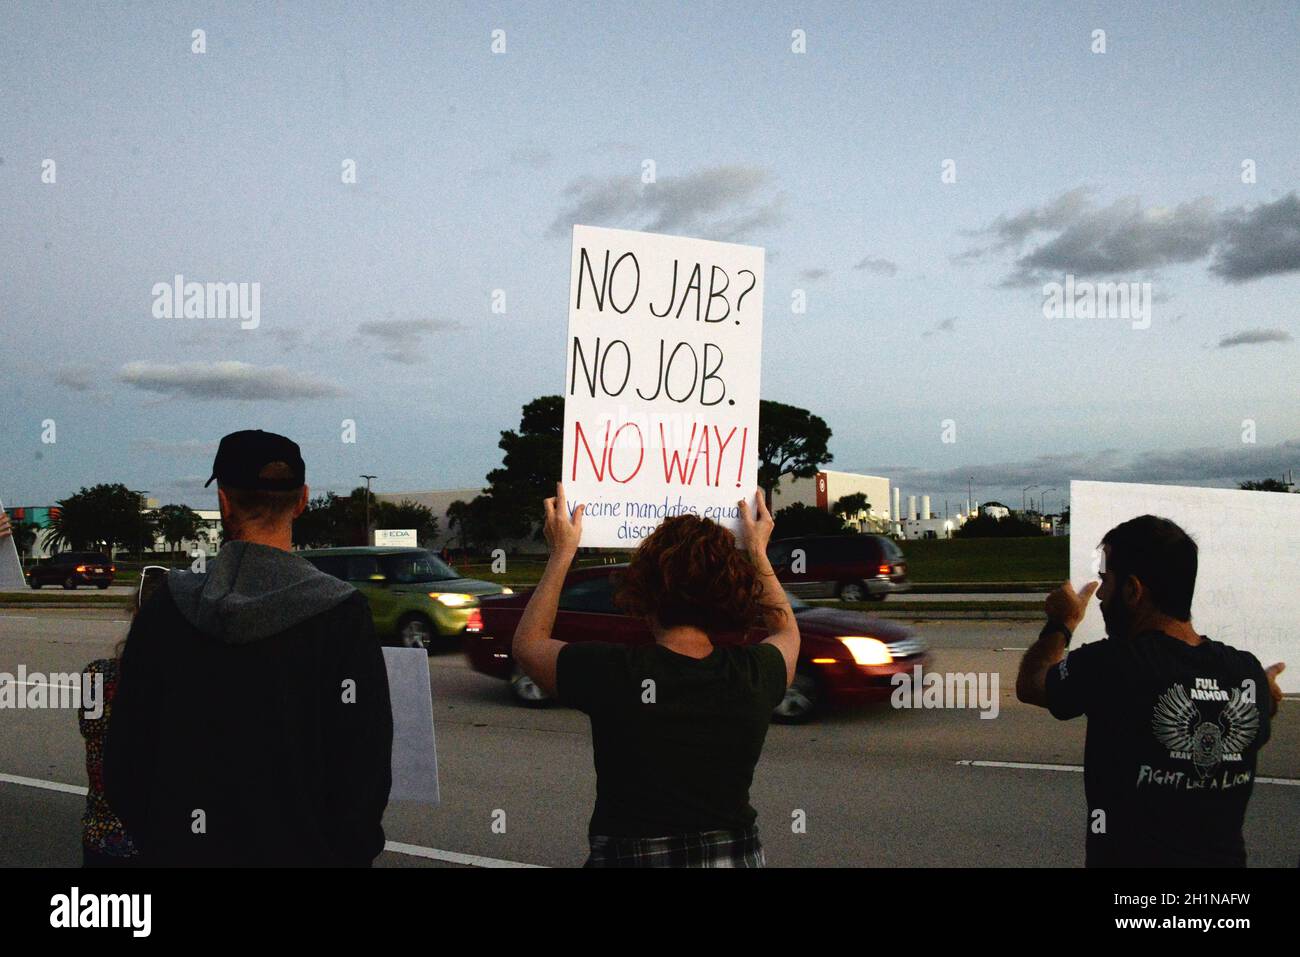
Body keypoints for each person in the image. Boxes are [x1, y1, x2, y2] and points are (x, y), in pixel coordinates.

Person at [105, 430, 393, 866]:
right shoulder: (341, 613)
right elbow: (364, 767)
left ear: (223, 503)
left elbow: (125, 757)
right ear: (302, 501)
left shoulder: (167, 605)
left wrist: (162, 840)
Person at [511, 483, 798, 867]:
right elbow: (787, 631)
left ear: (643, 591)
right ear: (732, 594)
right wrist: (759, 553)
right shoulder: (755, 673)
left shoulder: (615, 673)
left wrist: (561, 553)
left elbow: (528, 644)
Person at [1016, 514, 1284, 867]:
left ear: (1133, 590)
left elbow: (1032, 682)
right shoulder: (1246, 674)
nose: (1100, 595)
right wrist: (1263, 698)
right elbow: (1255, 719)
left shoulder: (1110, 664)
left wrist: (1062, 623)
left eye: (1105, 580)